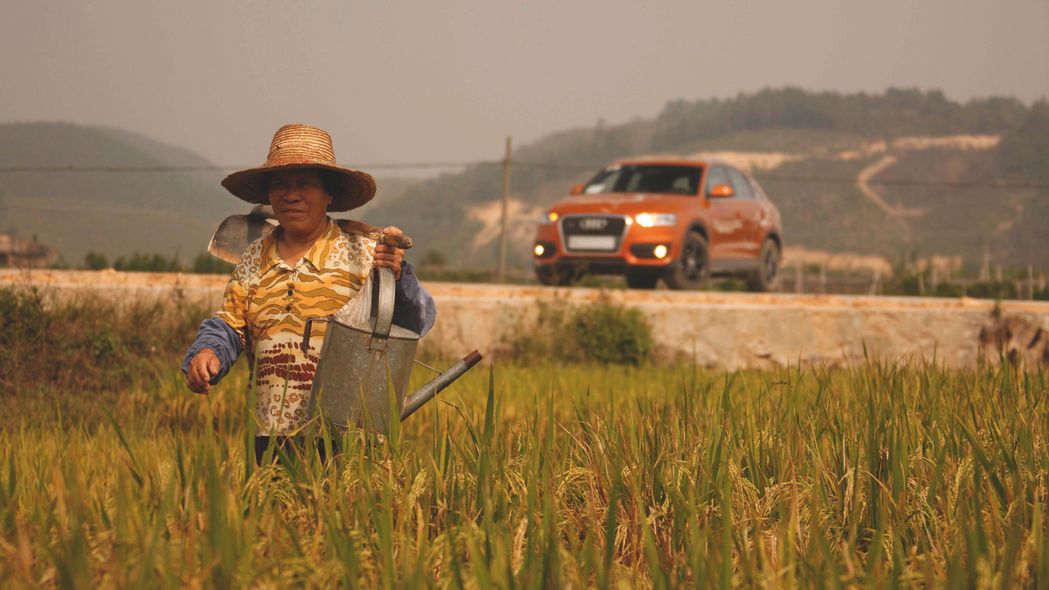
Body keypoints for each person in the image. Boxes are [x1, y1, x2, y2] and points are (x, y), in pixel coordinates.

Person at [181, 123, 436, 463]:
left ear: (329, 194)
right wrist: (207, 352)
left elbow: (417, 320)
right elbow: (231, 325)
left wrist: (398, 275)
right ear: (268, 196)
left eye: (305, 184)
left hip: (348, 439)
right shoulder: (253, 259)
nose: (292, 195)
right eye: (281, 185)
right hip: (270, 437)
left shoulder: (365, 252)